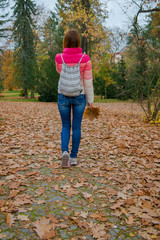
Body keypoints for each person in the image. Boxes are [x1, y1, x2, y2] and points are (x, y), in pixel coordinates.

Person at [55, 29, 94, 168]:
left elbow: (60, 72)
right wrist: (90, 101)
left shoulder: (59, 57)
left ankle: (64, 152)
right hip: (79, 96)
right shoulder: (85, 58)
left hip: (63, 95)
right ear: (78, 41)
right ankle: (73, 157)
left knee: (65, 126)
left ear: (65, 41)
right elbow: (88, 81)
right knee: (76, 127)